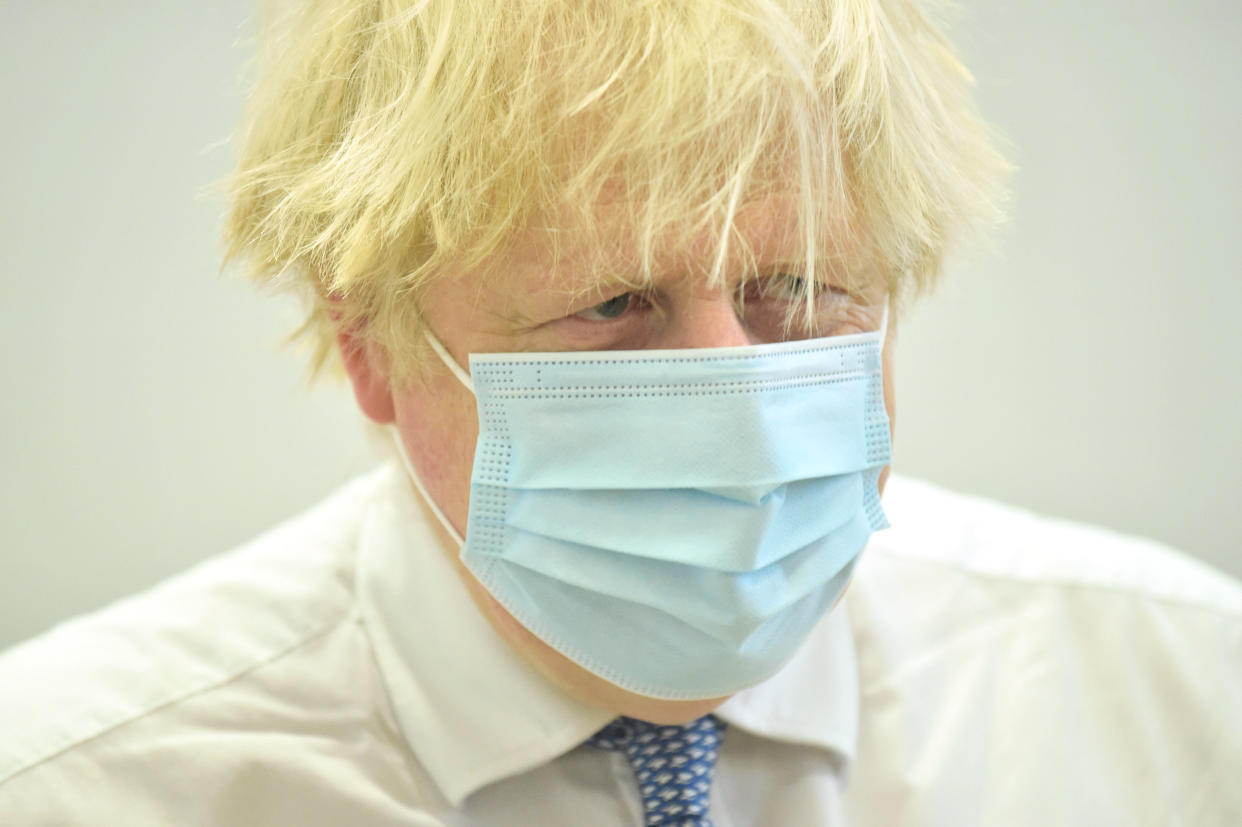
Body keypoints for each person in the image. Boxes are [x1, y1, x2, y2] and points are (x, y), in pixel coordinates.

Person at [2, 0, 1239, 824]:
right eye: (613, 304)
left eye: (794, 290)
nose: (736, 401)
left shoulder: (1177, 702)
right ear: (370, 341)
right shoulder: (74, 781)